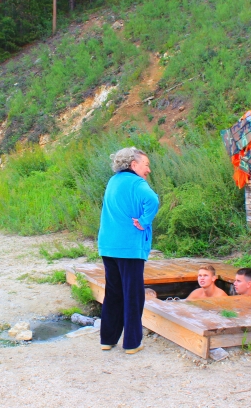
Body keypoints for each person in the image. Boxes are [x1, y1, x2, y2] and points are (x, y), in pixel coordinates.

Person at [98, 147, 159, 355]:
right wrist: (144, 221)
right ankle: (132, 343)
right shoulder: (137, 183)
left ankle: (107, 339)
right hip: (129, 248)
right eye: (146, 165)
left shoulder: (112, 181)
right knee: (133, 295)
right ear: (134, 165)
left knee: (113, 293)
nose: (148, 170)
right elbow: (153, 200)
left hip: (108, 245)